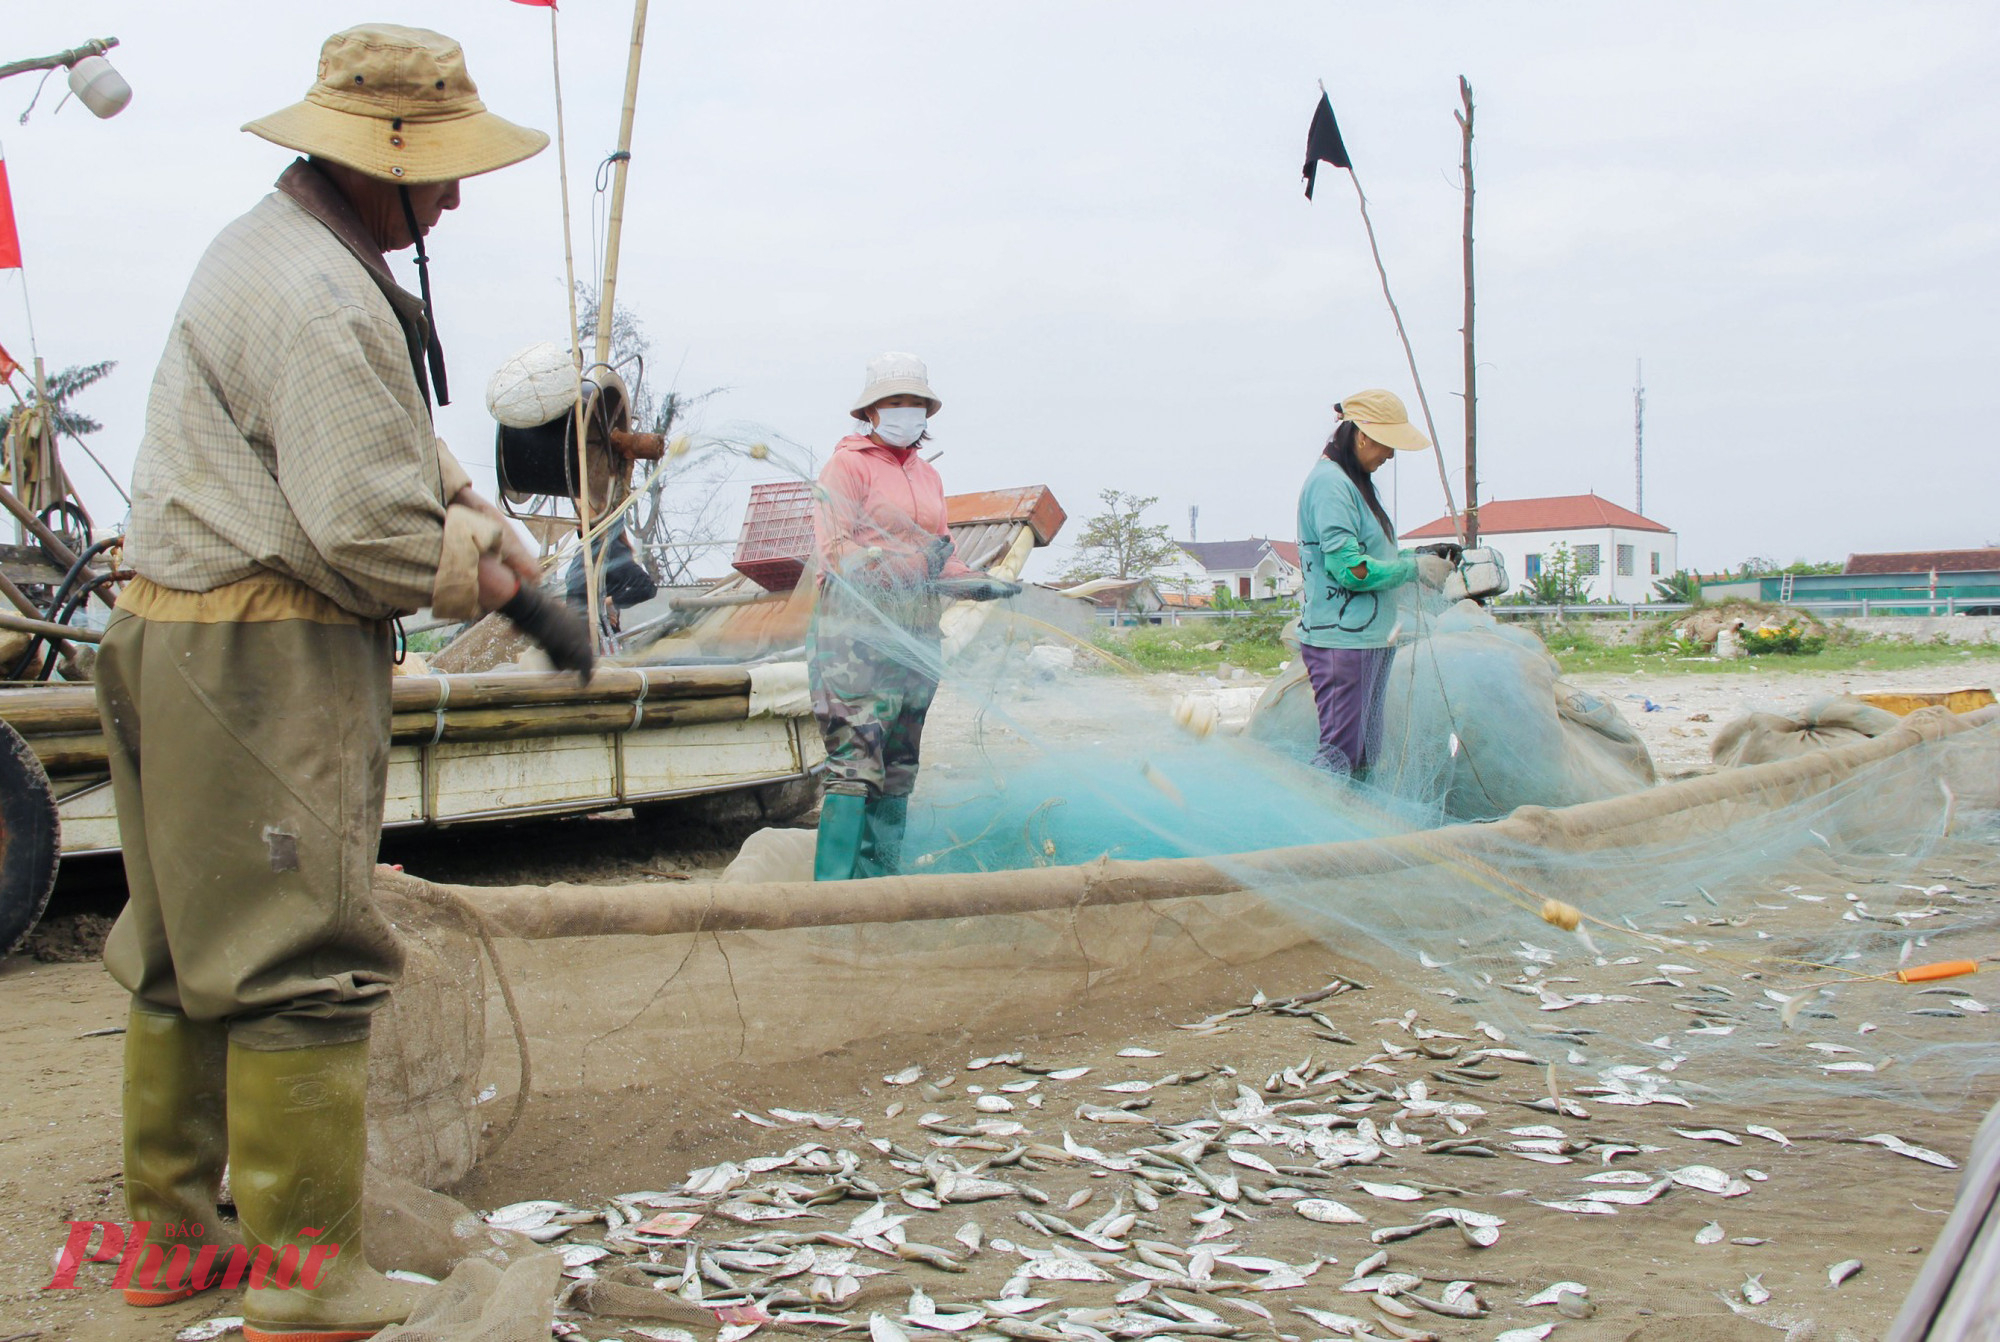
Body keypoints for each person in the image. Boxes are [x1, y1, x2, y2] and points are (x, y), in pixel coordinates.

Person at [98, 25, 588, 1341]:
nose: (455, 196)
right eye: (436, 172)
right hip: (258, 659)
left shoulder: (282, 251)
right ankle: (308, 1274)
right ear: (371, 159)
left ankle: (171, 1244)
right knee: (297, 954)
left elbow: (392, 440)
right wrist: (501, 580)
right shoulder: (322, 300)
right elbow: (364, 530)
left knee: (179, 950)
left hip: (170, 631)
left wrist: (471, 499)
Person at [808, 353, 1020, 881]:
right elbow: (837, 555)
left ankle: (881, 887)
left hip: (917, 630)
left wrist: (977, 583)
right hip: (855, 633)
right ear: (871, 412)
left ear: (927, 412)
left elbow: (939, 554)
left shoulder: (928, 477)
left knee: (900, 763)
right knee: (856, 761)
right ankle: (831, 897)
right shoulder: (846, 466)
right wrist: (910, 565)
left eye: (914, 403)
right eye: (893, 402)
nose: (906, 412)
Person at [1294, 389, 1453, 776]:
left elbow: (1372, 558)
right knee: (1339, 755)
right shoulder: (1331, 485)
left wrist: (1421, 557)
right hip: (1341, 643)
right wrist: (1414, 570)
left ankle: (1351, 829)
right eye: (1388, 445)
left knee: (1364, 754)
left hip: (1369, 641)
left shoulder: (1353, 482)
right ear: (1362, 435)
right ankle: (1323, 830)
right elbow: (1350, 570)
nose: (1391, 456)